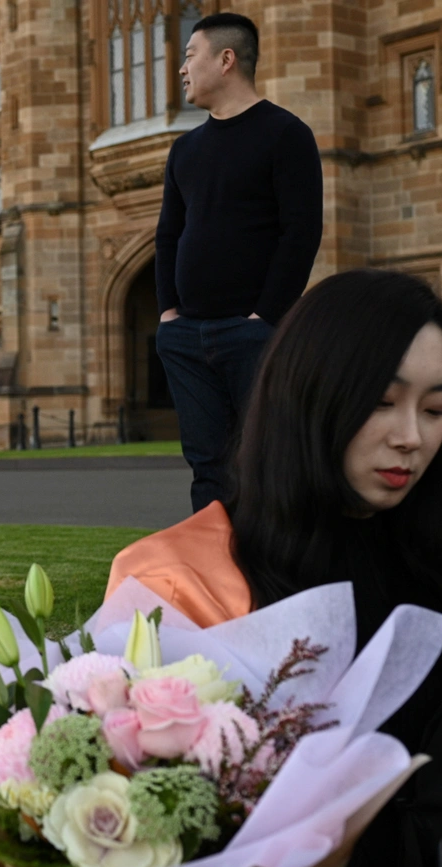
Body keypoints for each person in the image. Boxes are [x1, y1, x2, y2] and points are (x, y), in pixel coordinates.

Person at [107, 270, 442, 867]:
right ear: (307, 394)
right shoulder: (181, 582)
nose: (411, 436)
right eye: (382, 401)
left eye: (435, 409)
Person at [154, 12, 323, 512]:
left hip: (251, 335)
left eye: (190, 55)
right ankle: (216, 581)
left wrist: (262, 320)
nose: (182, 69)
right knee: (207, 468)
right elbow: (168, 236)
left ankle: (274, 577)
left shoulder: (286, 134)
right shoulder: (184, 149)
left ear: (226, 59)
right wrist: (168, 317)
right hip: (186, 338)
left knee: (266, 462)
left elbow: (301, 233)